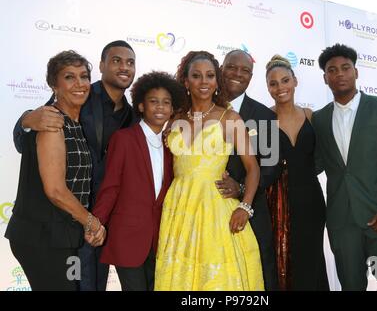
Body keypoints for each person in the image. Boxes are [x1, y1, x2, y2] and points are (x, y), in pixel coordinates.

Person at [12, 40, 137, 291]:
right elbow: (29, 137)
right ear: (102, 66)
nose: (124, 67)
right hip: (53, 227)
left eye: (130, 62)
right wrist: (26, 119)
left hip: (89, 227)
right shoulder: (66, 107)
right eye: (116, 61)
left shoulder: (133, 116)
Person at [155, 51, 264, 290]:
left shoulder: (230, 118)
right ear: (186, 81)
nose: (204, 82)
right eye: (196, 76)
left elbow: (253, 168)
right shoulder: (173, 119)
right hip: (179, 207)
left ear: (217, 81)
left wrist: (245, 206)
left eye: (210, 76)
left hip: (215, 207)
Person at [5, 50, 106, 291]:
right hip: (40, 236)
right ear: (54, 84)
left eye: (84, 76)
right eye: (69, 77)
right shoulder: (51, 121)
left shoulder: (73, 122)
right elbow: (55, 190)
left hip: (63, 235)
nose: (80, 84)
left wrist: (83, 224)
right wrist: (91, 223)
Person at [312, 43, 377, 290]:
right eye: (332, 70)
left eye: (346, 68)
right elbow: (315, 164)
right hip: (343, 224)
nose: (340, 74)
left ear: (356, 72)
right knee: (352, 286)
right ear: (325, 78)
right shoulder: (320, 119)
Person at [92, 72, 183, 291]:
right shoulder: (123, 139)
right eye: (153, 102)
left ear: (172, 109)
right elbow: (111, 187)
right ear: (141, 106)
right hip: (128, 237)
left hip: (161, 239)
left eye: (166, 103)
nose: (160, 107)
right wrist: (96, 222)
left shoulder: (173, 145)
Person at [214, 49, 280, 290]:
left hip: (251, 209)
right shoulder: (201, 107)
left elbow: (270, 168)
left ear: (251, 77)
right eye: (231, 67)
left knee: (260, 272)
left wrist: (241, 190)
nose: (237, 74)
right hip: (208, 209)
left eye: (245, 71)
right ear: (221, 69)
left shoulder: (265, 116)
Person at [264, 55, 329, 290]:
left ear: (295, 81)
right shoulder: (264, 119)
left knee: (312, 261)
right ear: (268, 88)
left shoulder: (310, 115)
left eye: (285, 80)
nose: (280, 88)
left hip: (311, 200)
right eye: (273, 83)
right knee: (283, 263)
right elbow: (261, 166)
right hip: (278, 203)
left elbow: (321, 157)